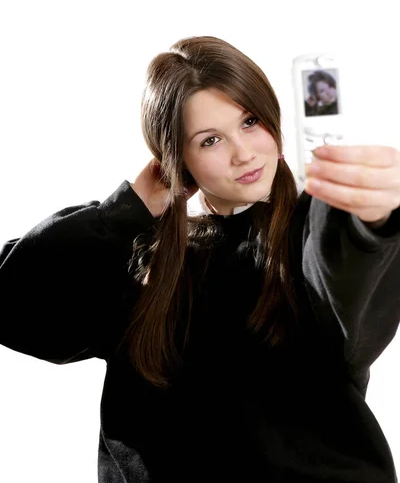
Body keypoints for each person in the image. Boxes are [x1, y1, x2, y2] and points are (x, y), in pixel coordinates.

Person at [1, 36, 400, 483]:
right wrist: (124, 211)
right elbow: (12, 305)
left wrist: (373, 217)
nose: (243, 153)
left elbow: (346, 278)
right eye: (210, 140)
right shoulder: (141, 259)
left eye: (250, 121)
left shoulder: (310, 231)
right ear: (176, 159)